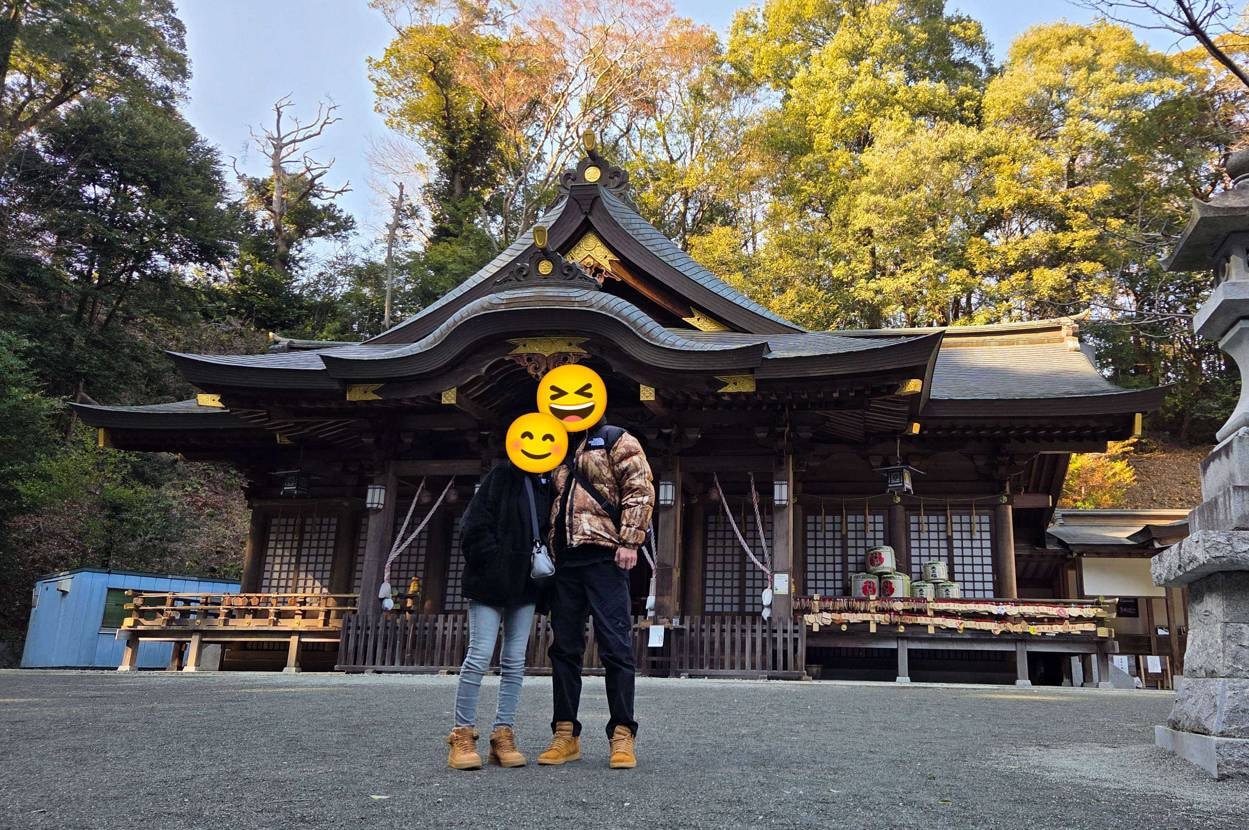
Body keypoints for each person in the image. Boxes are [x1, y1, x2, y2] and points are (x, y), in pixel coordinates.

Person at [536, 367, 655, 770]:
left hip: (605, 555)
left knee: (615, 646)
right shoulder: (552, 447)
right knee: (564, 648)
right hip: (565, 560)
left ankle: (622, 733)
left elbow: (639, 489)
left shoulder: (617, 439)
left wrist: (630, 541)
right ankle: (565, 732)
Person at [445, 455, 552, 771]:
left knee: (515, 661)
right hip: (490, 582)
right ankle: (462, 734)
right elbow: (474, 524)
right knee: (478, 655)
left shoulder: (547, 483)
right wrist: (492, 561)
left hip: (525, 583)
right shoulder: (502, 474)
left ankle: (503, 734)